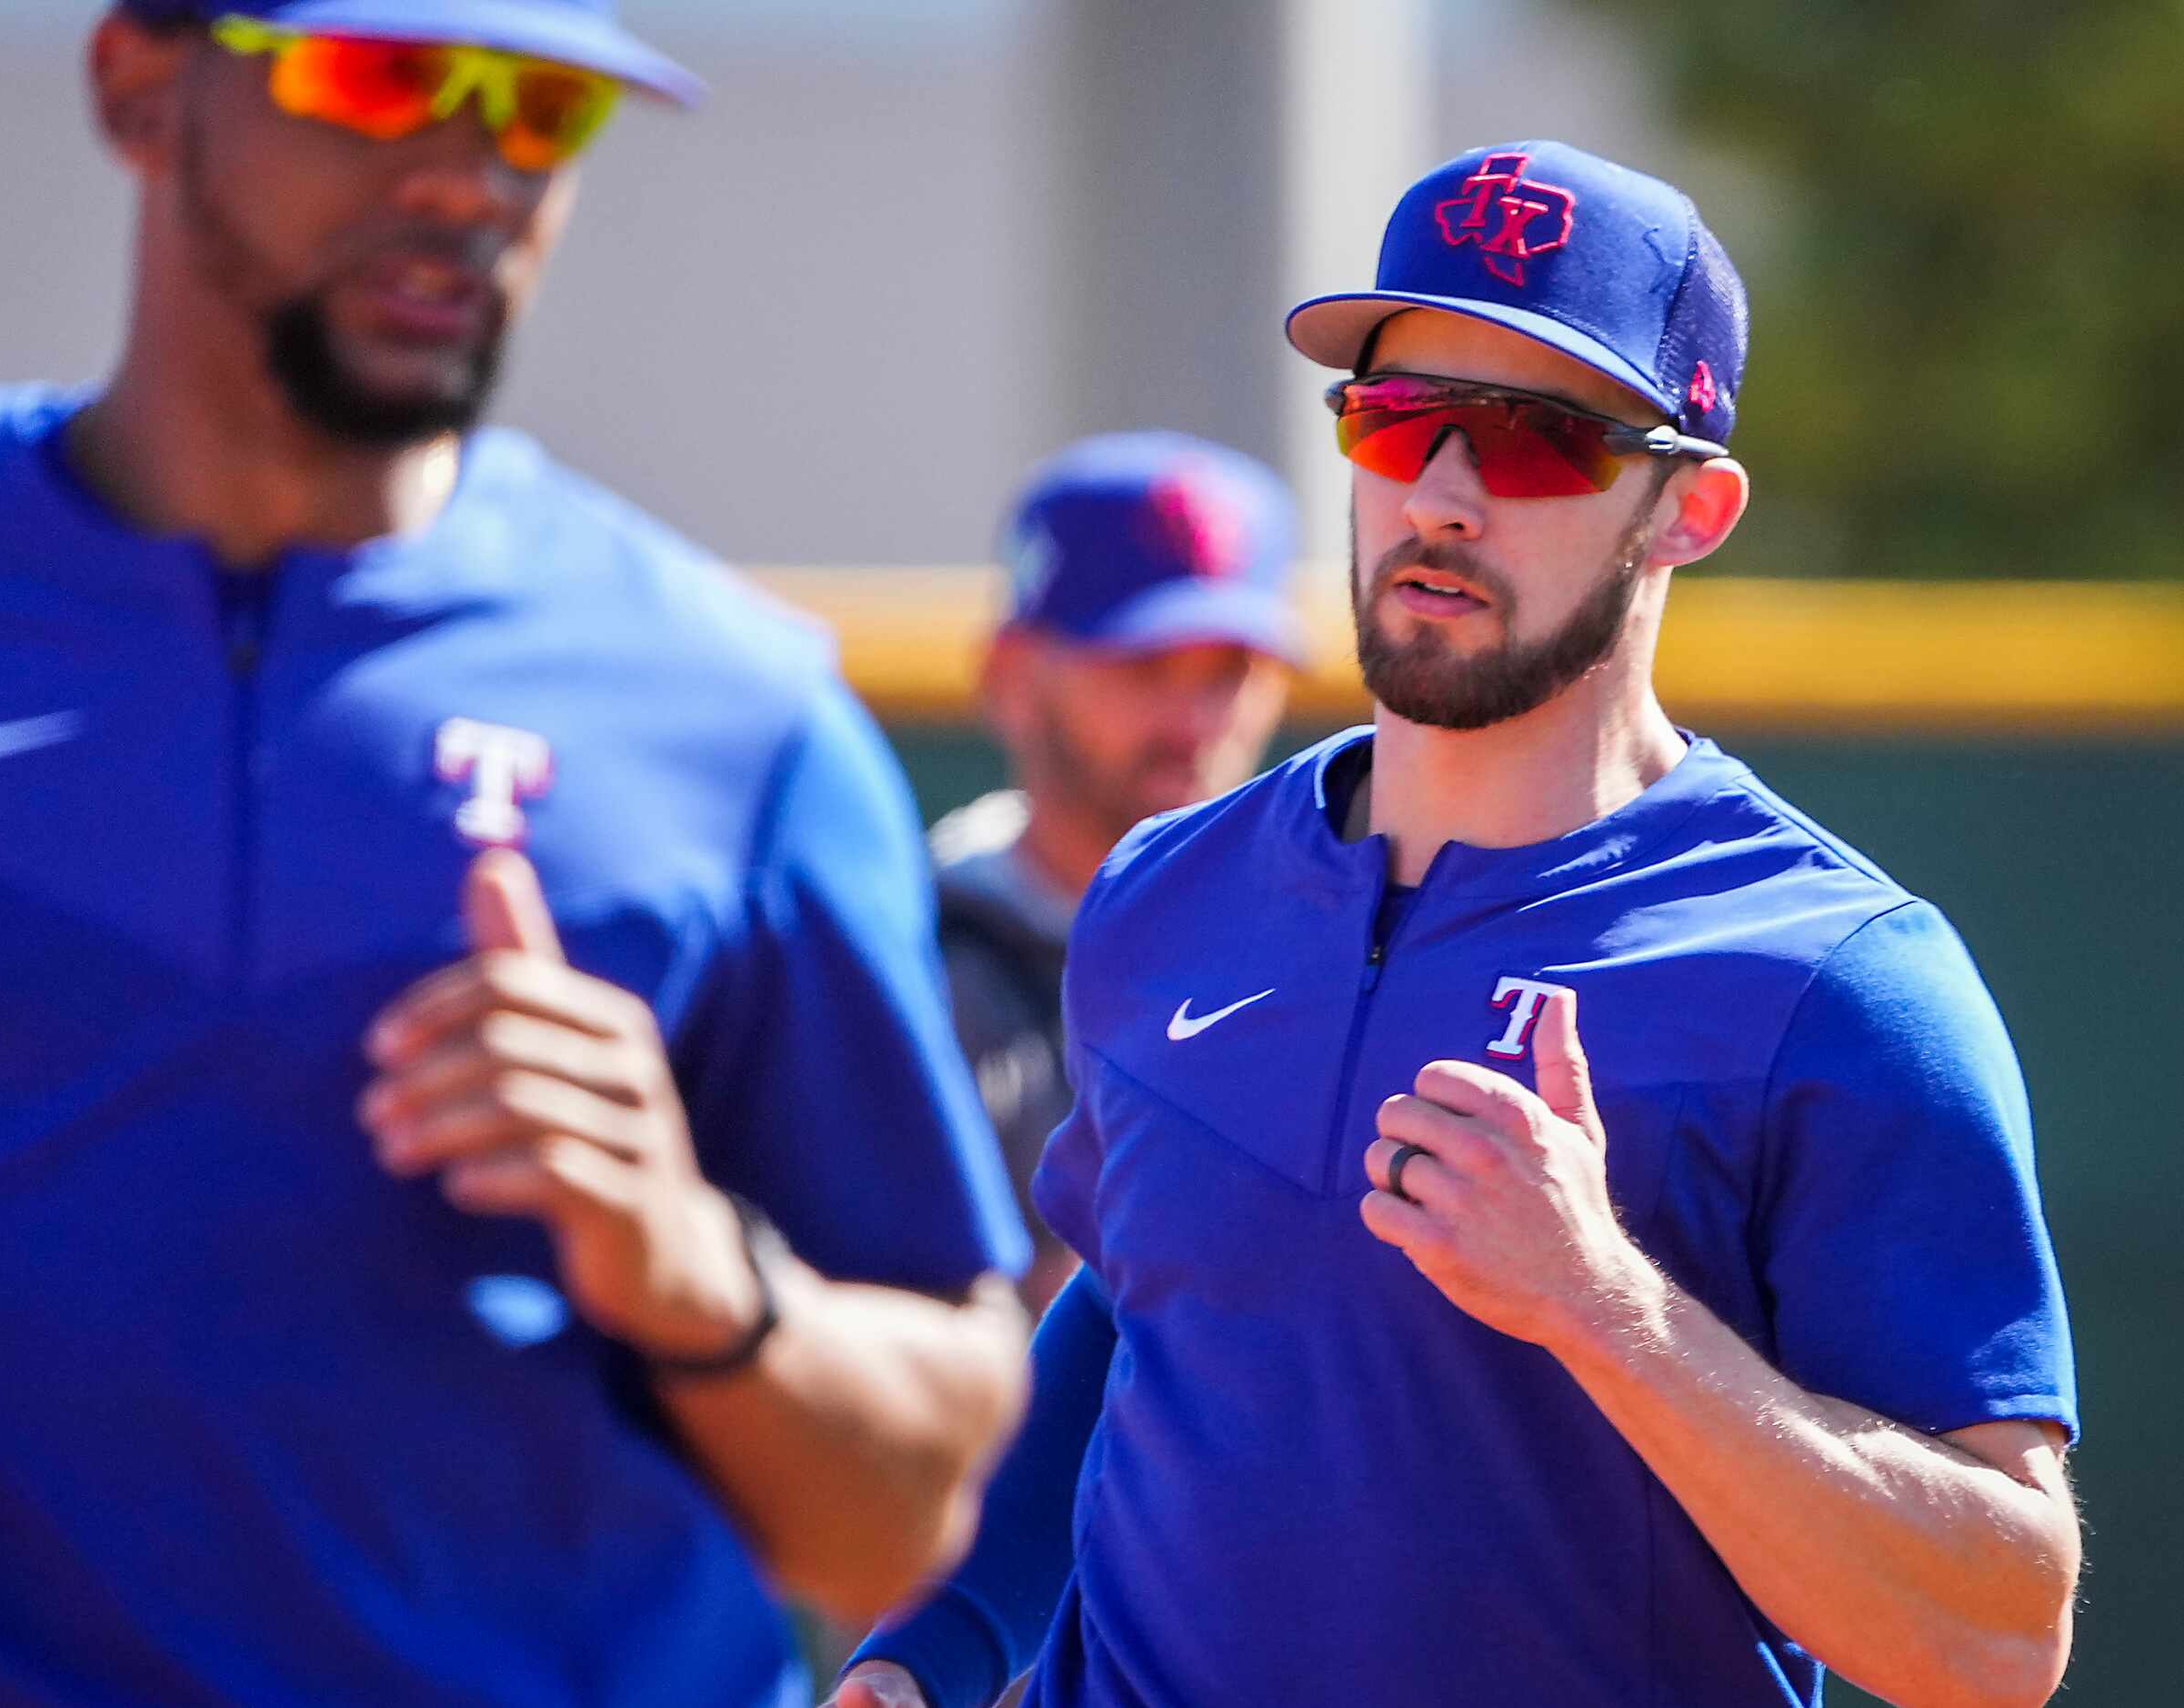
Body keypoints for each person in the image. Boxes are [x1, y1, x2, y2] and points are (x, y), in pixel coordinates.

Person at [0, 4, 1034, 1703]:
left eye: (538, 111)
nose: (469, 178)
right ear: (140, 84)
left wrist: (695, 1271)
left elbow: (913, 1518)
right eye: (379, 78)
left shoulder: (737, 715)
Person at [835, 139, 2080, 1708]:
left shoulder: (1836, 979)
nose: (1440, 491)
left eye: (1537, 440)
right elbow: (1135, 1297)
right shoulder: (1166, 888)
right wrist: (935, 1645)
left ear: (1689, 509)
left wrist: (1607, 1308)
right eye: (1401, 416)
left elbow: (1994, 1639)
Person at [928, 434, 1301, 1318]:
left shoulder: (1324, 951)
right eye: (1144, 665)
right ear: (1010, 677)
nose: (1194, 721)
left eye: (1231, 672)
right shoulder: (909, 961)